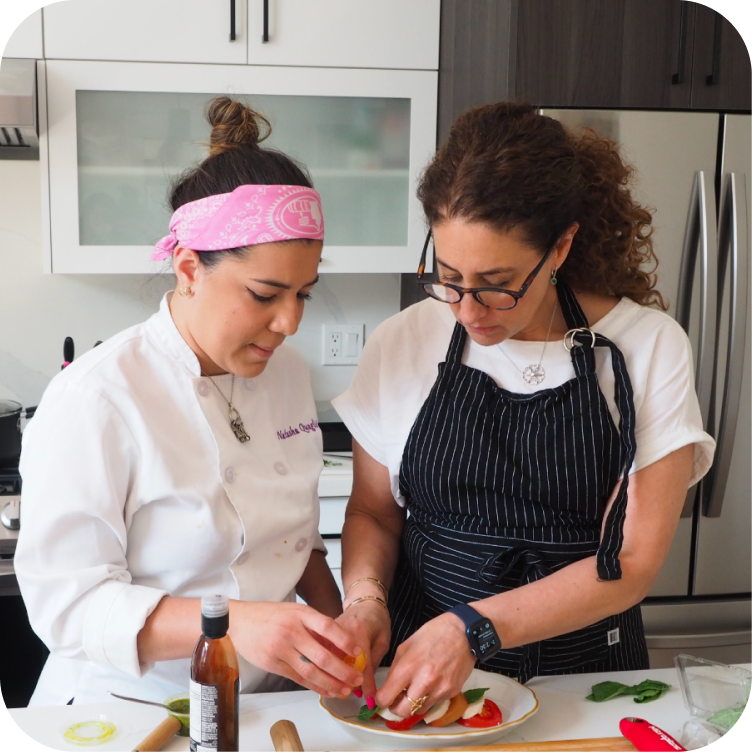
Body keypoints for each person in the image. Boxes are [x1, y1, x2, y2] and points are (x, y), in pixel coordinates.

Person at [332, 102, 716, 718]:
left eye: (497, 282)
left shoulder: (646, 346)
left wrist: (471, 628)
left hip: (585, 686)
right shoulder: (403, 340)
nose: (467, 308)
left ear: (561, 246)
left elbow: (635, 560)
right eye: (449, 277)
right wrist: (366, 601)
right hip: (420, 681)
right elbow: (373, 511)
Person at [14, 98, 363, 706]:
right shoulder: (97, 396)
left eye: (305, 293)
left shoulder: (287, 374)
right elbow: (67, 607)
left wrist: (345, 637)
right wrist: (236, 620)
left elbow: (295, 540)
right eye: (264, 294)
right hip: (131, 709)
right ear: (188, 267)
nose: (289, 323)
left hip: (264, 701)